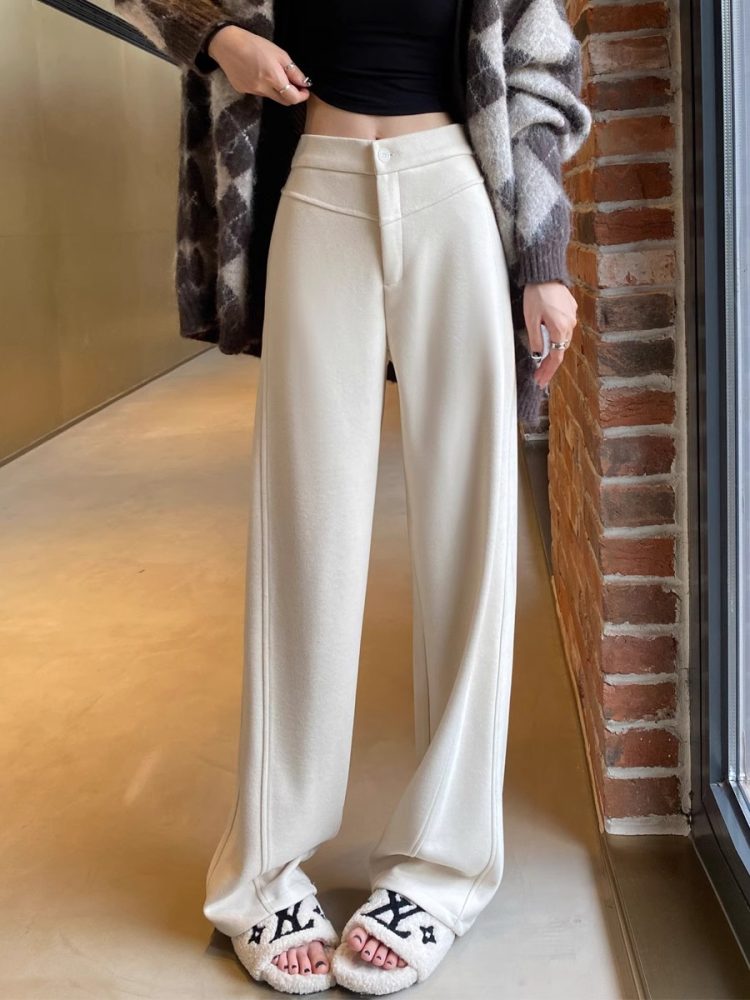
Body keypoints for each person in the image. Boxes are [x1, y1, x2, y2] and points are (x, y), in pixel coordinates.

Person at [114, 0, 591, 994]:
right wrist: (216, 37)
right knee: (305, 535)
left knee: (473, 536)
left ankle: (444, 867)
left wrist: (543, 258)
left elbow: (538, 69)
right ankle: (262, 868)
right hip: (319, 188)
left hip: (456, 190)